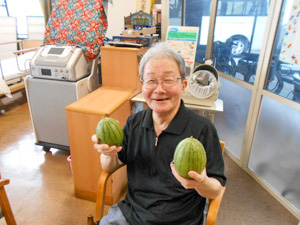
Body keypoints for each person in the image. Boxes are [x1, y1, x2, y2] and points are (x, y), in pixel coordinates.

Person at [92, 42, 226, 225]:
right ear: (142, 84)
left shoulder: (202, 129)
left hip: (179, 220)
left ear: (183, 85)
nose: (159, 89)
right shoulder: (134, 123)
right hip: (132, 214)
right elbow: (110, 166)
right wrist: (107, 153)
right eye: (151, 80)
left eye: (169, 79)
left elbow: (216, 189)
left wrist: (200, 183)